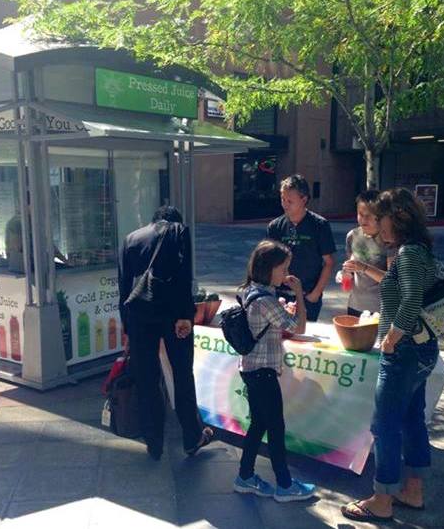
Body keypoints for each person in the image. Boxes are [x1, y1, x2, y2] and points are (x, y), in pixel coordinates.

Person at [341, 188, 439, 523]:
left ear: (396, 217)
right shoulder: (417, 250)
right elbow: (406, 290)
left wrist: (392, 338)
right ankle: (413, 491)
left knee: (385, 424)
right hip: (422, 350)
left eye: (380, 216)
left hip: (404, 351)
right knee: (412, 419)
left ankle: (381, 499)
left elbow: (410, 301)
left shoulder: (408, 253)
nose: (377, 225)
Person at [118, 205, 212, 460]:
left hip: (138, 316)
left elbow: (124, 286)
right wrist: (185, 315)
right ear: (175, 221)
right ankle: (192, 438)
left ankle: (153, 442)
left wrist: (126, 327)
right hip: (173, 317)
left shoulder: (130, 239)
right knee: (182, 375)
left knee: (147, 379)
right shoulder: (179, 231)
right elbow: (185, 277)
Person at [233, 239, 316, 502]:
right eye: (283, 267)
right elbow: (299, 327)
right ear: (268, 268)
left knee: (258, 424)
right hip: (263, 371)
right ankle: (284, 485)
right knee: (275, 428)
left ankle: (245, 477)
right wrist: (300, 294)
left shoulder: (250, 290)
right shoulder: (266, 300)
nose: (286, 273)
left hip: (251, 368)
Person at [267, 175, 336, 321]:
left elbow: (329, 262)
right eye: (282, 199)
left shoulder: (320, 225)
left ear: (304, 199)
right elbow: (269, 263)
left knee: (304, 338)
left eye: (290, 201)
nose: (285, 204)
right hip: (280, 296)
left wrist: (315, 294)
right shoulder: (275, 227)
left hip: (308, 295)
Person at [341, 190, 395, 316]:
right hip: (355, 305)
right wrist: (345, 274)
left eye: (369, 215)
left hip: (380, 310)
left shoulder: (388, 239)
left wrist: (364, 267)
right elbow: (351, 273)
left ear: (380, 216)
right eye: (360, 214)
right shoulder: (352, 236)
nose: (364, 220)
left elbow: (392, 280)